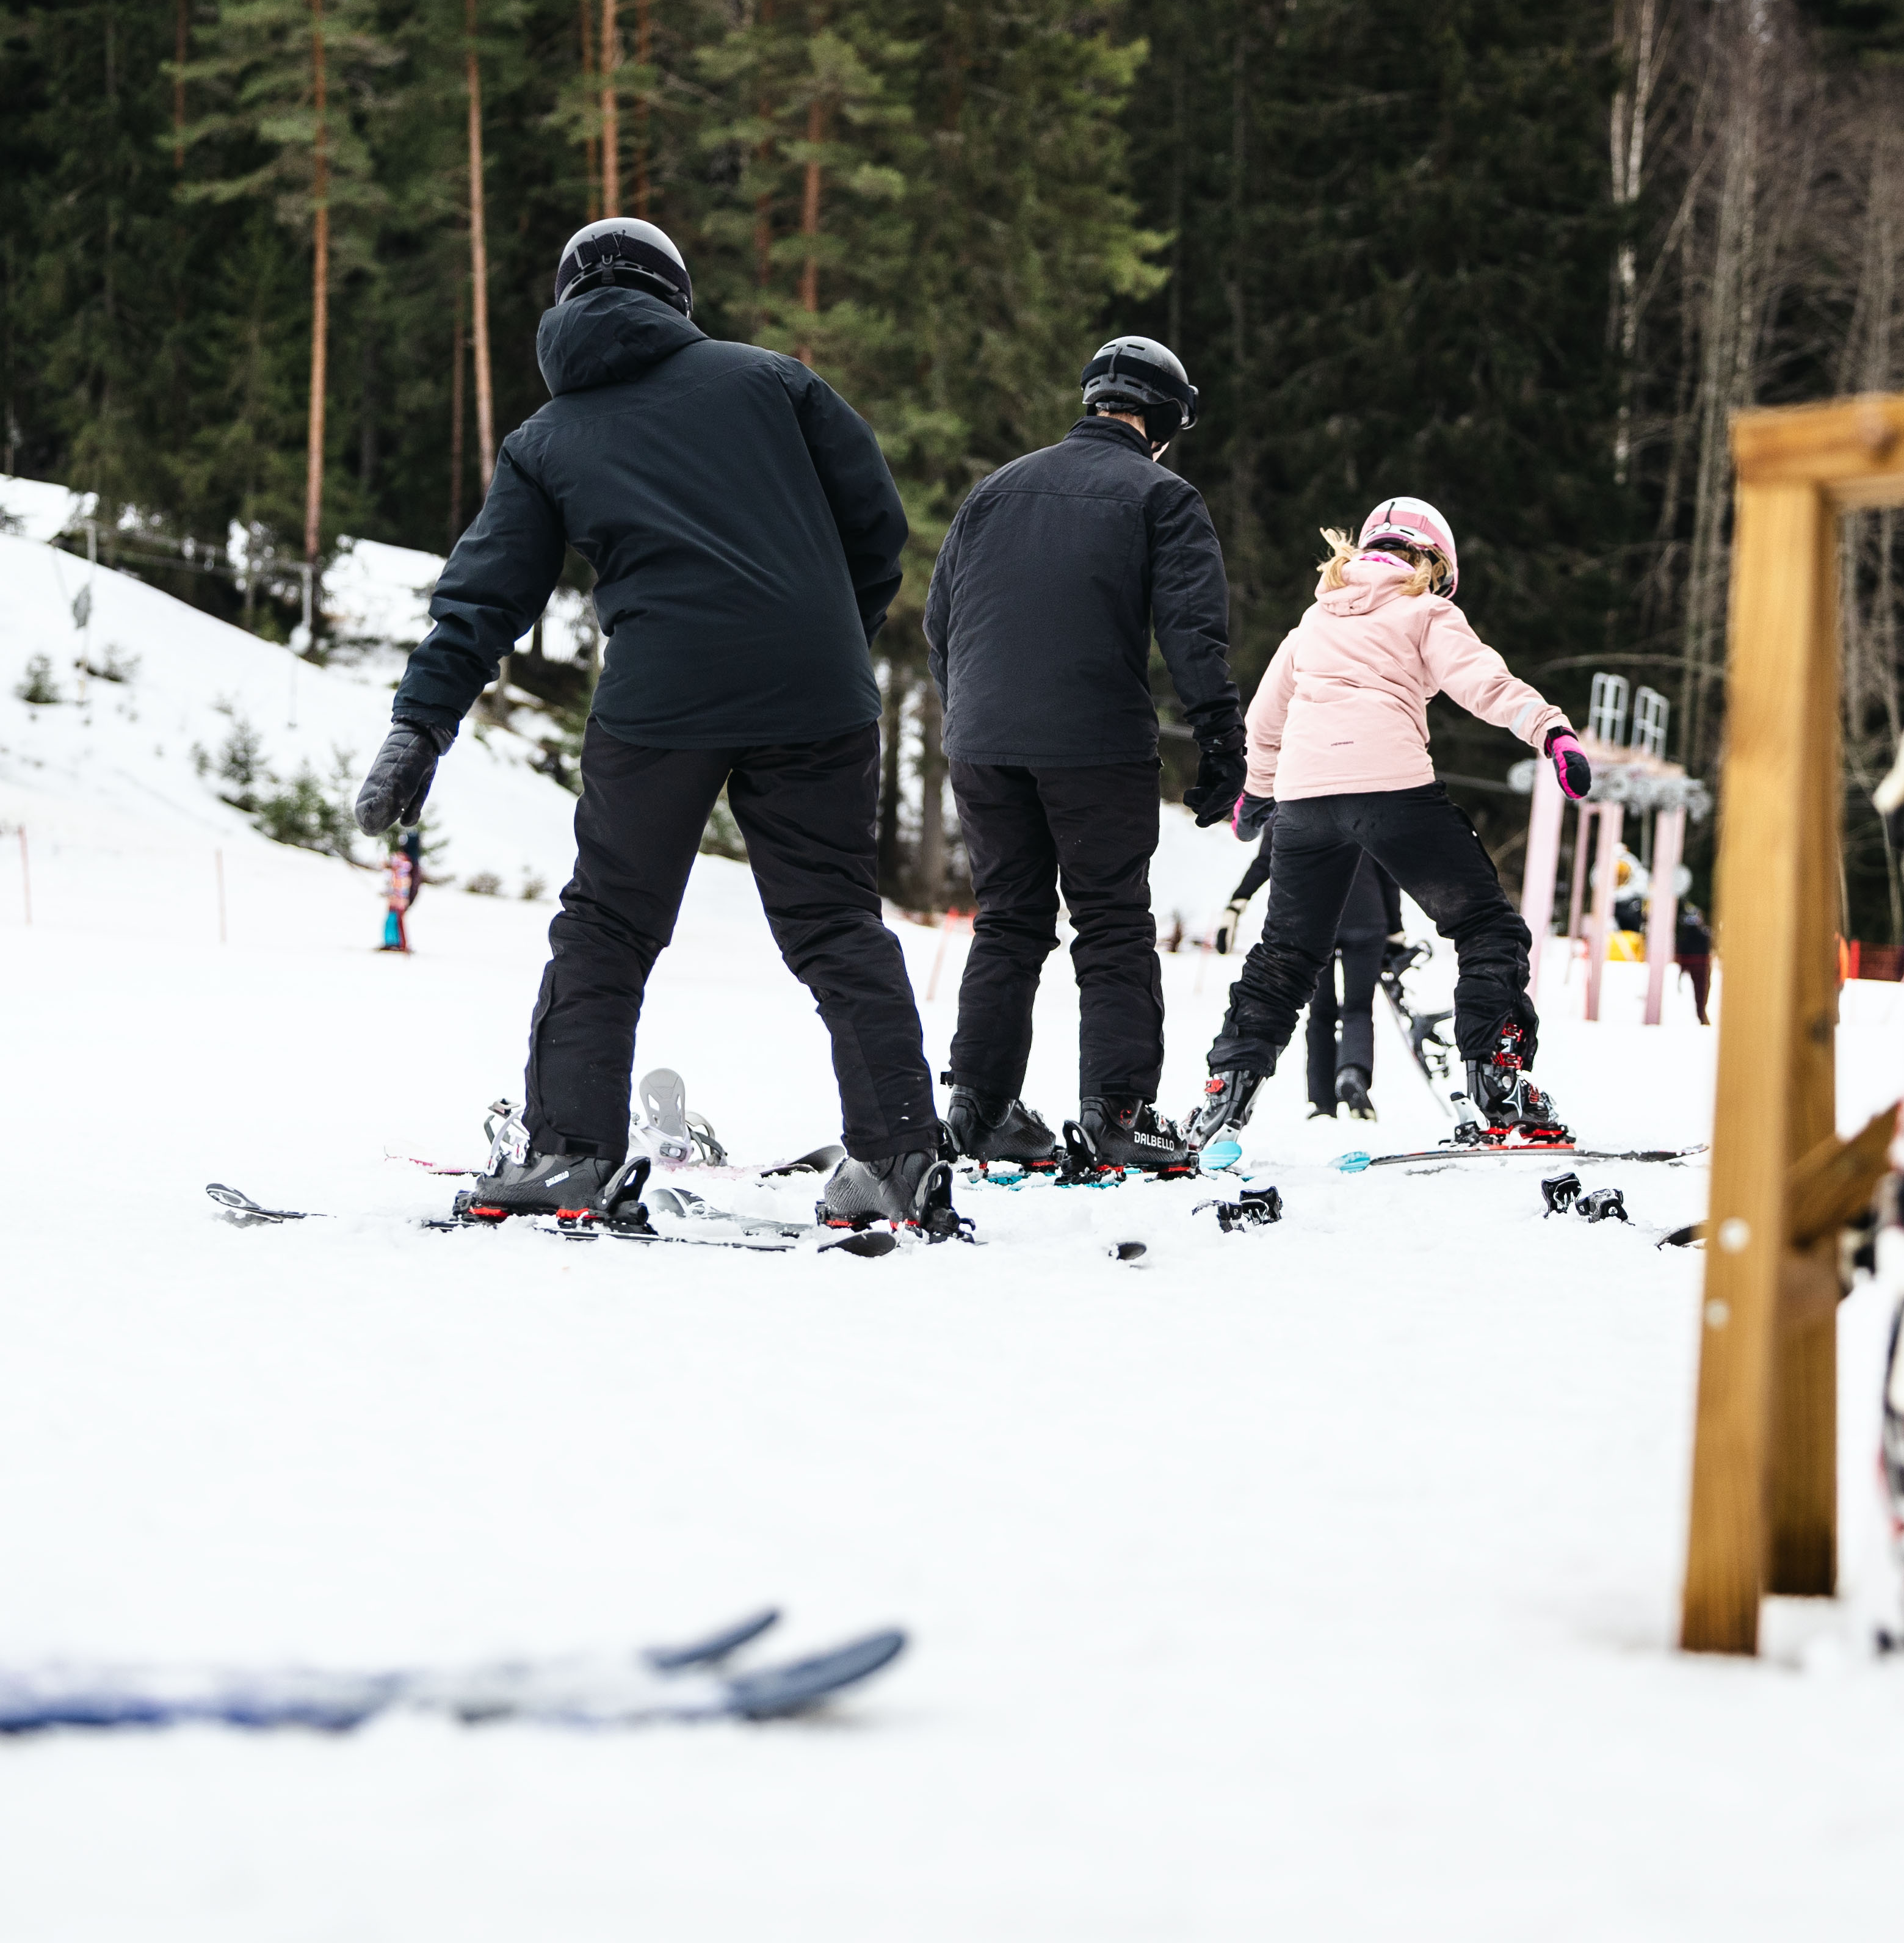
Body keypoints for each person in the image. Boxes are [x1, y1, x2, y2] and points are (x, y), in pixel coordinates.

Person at [350, 218, 949, 1230]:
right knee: (837, 925)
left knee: (609, 926)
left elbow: (483, 602)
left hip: (661, 698)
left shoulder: (548, 436)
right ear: (675, 298)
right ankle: (898, 1158)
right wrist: (828, 635)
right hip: (817, 691)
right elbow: (875, 522)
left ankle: (569, 1154)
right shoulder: (775, 382)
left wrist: (419, 727)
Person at [922, 335, 1239, 1174]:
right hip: (1092, 740)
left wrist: (975, 718)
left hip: (983, 742)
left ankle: (980, 1108)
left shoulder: (992, 490)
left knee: (1009, 920)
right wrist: (1219, 737)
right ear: (1165, 418)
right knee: (1110, 920)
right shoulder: (1163, 496)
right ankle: (1117, 1114)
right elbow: (1193, 631)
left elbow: (939, 623)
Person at [1182, 498, 1587, 1148]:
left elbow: (1264, 719)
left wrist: (1256, 795)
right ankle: (1498, 1077)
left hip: (1304, 803)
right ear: (1431, 563)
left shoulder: (1312, 621)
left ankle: (1225, 1093)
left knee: (1285, 956)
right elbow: (1483, 680)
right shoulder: (1425, 610)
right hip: (1391, 791)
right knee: (1486, 925)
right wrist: (1551, 730)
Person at [1222, 834, 1404, 1119]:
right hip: (1368, 918)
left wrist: (1237, 901)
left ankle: (1322, 1102)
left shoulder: (1293, 801)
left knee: (1320, 1012)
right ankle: (1352, 1075)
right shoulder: (1362, 802)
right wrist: (1396, 929)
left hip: (1317, 920)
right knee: (1359, 1007)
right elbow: (1387, 869)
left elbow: (1265, 860)